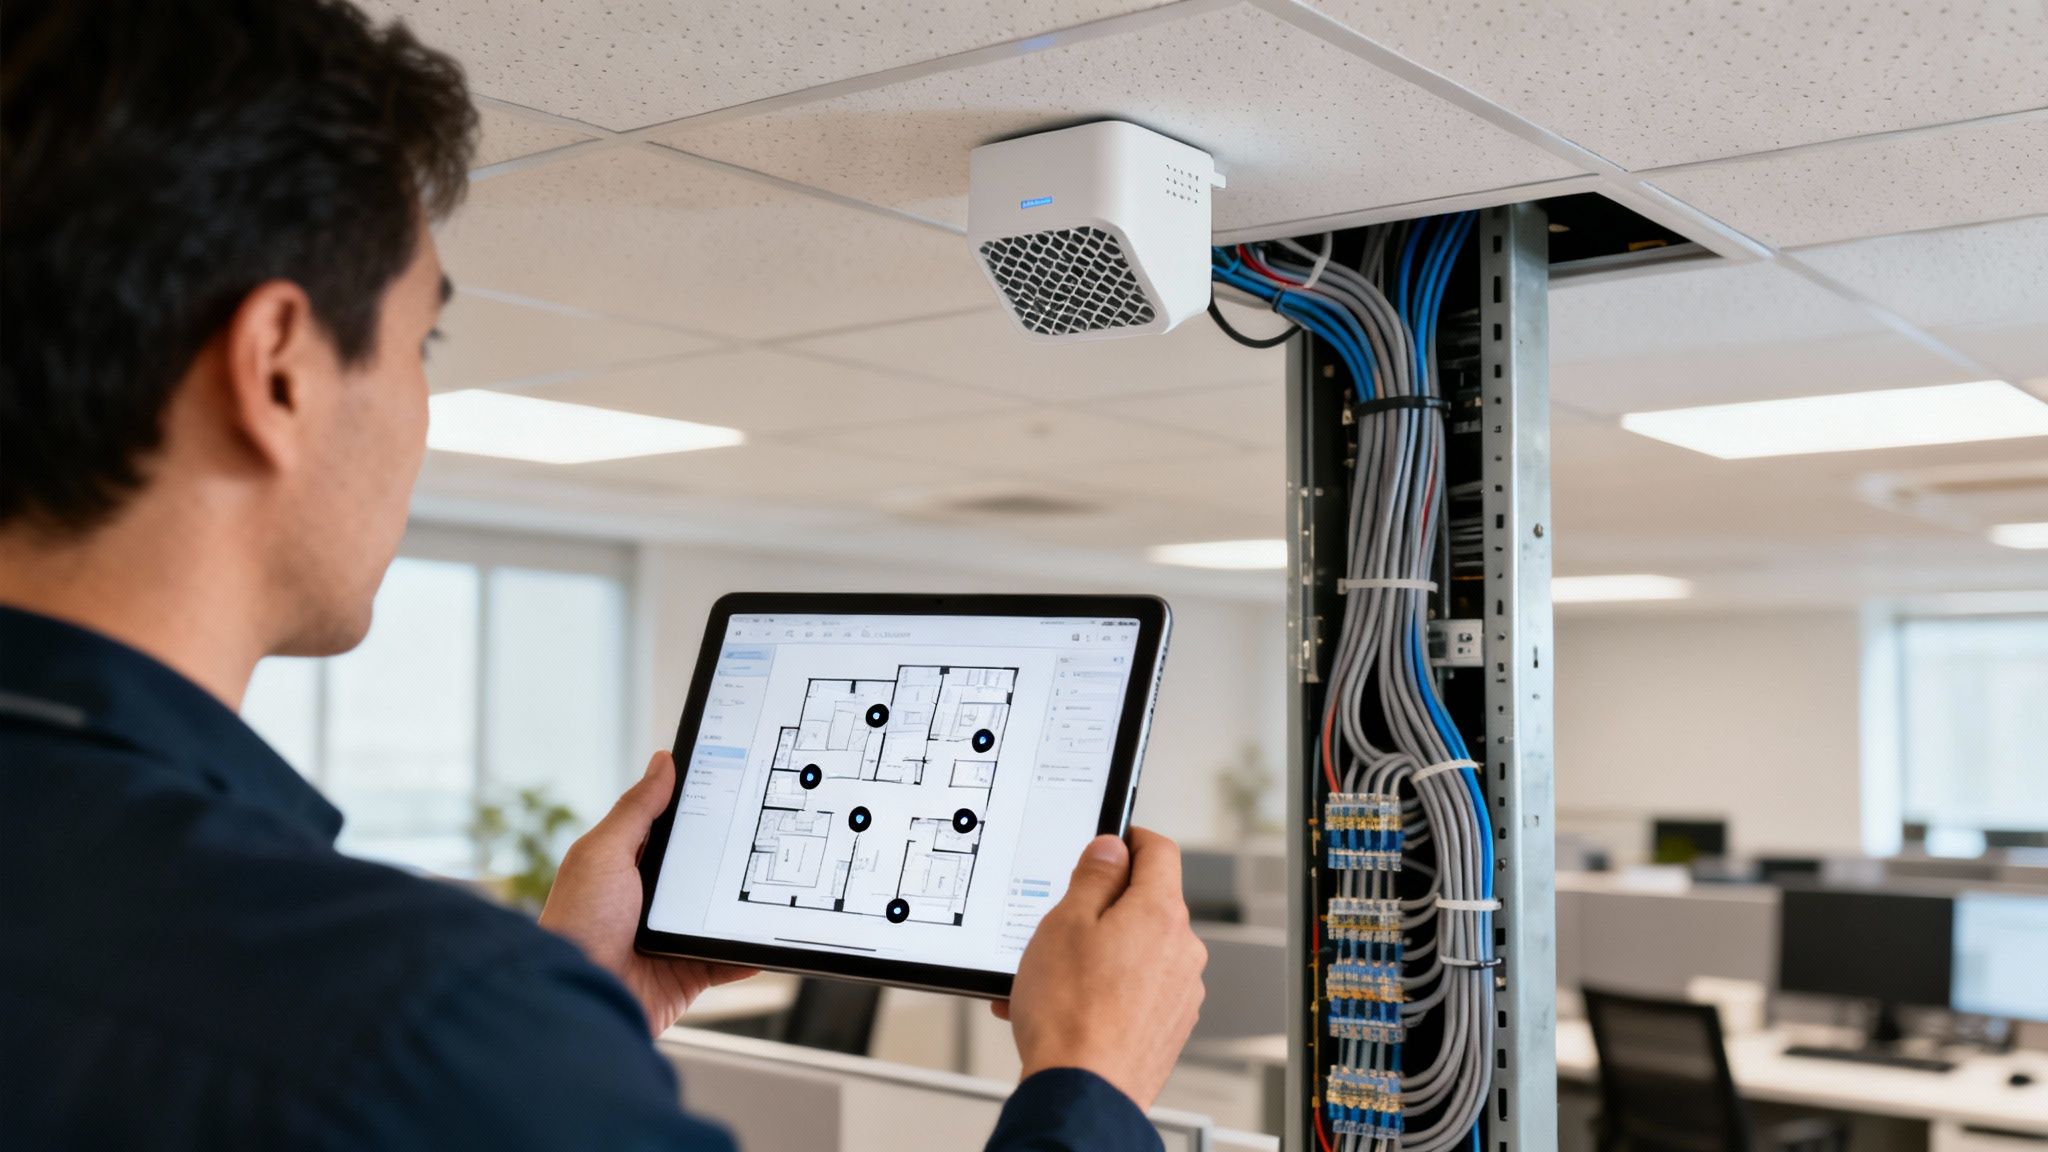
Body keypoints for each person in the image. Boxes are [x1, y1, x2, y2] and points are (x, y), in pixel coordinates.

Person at [0, 0, 1210, 1147]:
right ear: (279, 370)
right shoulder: (396, 1015)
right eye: (422, 340)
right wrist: (1090, 1078)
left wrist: (565, 1020)